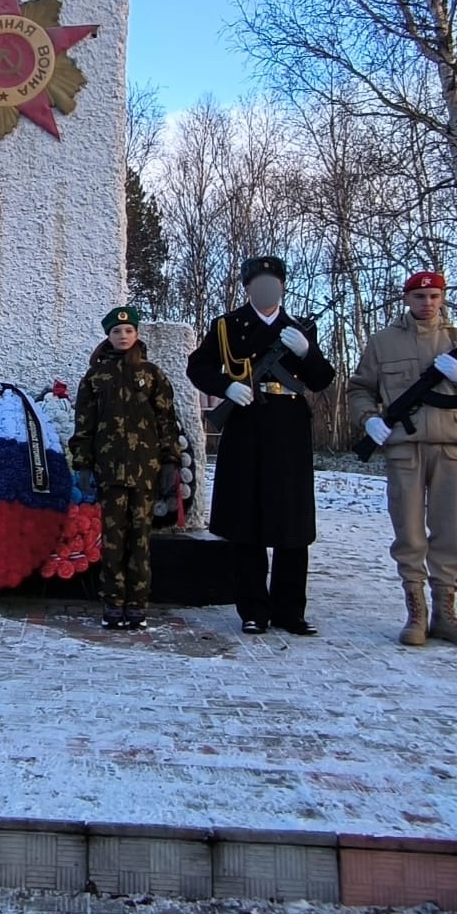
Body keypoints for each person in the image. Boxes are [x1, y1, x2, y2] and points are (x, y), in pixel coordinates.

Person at [187, 256, 336, 636]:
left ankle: (290, 609)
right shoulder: (226, 326)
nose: (267, 289)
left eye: (274, 282)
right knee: (247, 518)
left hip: (288, 427)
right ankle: (253, 608)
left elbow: (321, 379)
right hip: (246, 423)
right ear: (248, 287)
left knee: (292, 521)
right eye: (259, 282)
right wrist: (225, 387)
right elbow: (198, 366)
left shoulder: (299, 328)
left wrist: (306, 352)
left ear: (282, 287)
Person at [346, 271, 457, 649]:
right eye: (419, 296)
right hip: (405, 446)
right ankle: (416, 612)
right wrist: (370, 419)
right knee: (409, 531)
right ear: (406, 299)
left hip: (451, 445)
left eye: (433, 295)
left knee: (448, 530)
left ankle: (446, 612)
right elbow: (360, 389)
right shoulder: (383, 342)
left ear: (442, 298)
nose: (427, 303)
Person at [68, 305, 180, 631]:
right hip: (110, 470)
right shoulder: (95, 377)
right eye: (117, 332)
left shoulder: (152, 375)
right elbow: (84, 424)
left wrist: (170, 461)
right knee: (114, 541)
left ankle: (137, 605)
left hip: (145, 470)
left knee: (140, 540)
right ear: (108, 336)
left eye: (128, 331)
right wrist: (84, 464)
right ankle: (113, 603)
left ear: (137, 334)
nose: (123, 336)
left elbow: (166, 421)